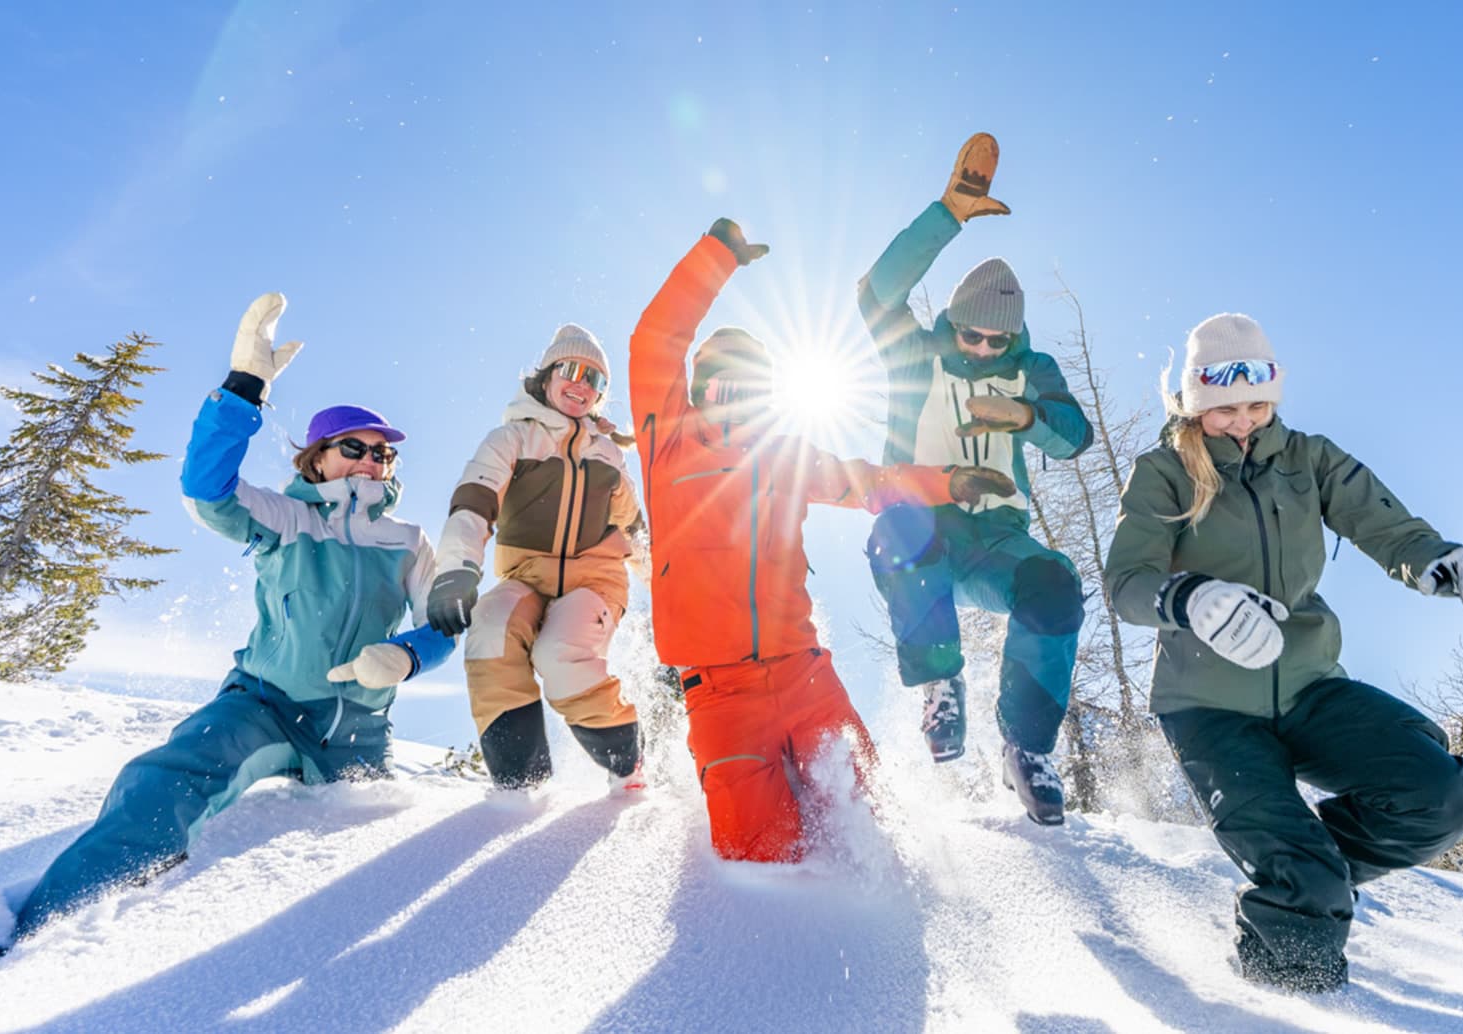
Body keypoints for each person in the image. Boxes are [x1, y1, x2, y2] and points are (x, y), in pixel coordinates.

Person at [0, 293, 453, 952]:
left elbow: (444, 620)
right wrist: (243, 391)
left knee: (367, 841)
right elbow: (206, 491)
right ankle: (43, 928)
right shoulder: (286, 517)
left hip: (356, 727)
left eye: (384, 456)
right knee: (165, 779)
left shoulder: (406, 539)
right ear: (317, 457)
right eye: (356, 447)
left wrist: (406, 657)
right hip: (263, 703)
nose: (372, 463)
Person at [1103, 313, 1463, 993]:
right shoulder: (1164, 473)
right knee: (1305, 879)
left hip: (1309, 687)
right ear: (1195, 403)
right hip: (1209, 709)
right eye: (1224, 410)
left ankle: (1304, 867)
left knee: (1445, 797)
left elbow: (1388, 527)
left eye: (1258, 405)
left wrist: (1444, 562)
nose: (1243, 423)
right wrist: (1191, 600)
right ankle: (1286, 988)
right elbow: (1127, 582)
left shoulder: (1309, 459)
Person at [631, 217, 1015, 863]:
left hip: (806, 673)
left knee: (870, 829)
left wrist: (949, 482)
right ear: (698, 391)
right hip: (720, 693)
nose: (737, 405)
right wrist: (716, 255)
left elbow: (866, 482)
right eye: (724, 388)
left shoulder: (783, 456)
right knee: (761, 856)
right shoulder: (667, 442)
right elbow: (655, 339)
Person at [856, 132, 1092, 825]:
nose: (983, 348)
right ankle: (939, 687)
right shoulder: (914, 354)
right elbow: (875, 293)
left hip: (996, 540)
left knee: (1055, 584)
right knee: (897, 525)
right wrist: (947, 214)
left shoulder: (1030, 370)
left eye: (997, 341)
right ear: (952, 324)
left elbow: (1074, 436)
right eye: (972, 336)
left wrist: (1023, 415)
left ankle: (1026, 746)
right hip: (923, 531)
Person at [425, 324, 647, 791]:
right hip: (526, 577)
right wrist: (458, 567)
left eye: (597, 380)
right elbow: (475, 498)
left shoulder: (607, 455)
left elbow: (634, 529)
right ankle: (520, 787)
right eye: (572, 370)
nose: (583, 384)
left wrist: (672, 590)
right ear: (546, 375)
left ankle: (628, 767)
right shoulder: (512, 439)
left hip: (596, 581)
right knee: (490, 629)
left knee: (561, 653)